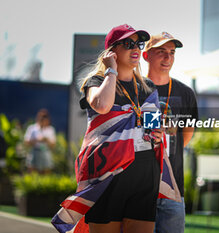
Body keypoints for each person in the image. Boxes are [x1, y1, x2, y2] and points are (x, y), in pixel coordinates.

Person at [55, 24, 165, 233]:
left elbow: (153, 129)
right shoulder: (95, 81)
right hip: (108, 169)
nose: (136, 48)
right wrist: (111, 70)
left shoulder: (149, 87)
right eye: (128, 43)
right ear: (111, 52)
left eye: (139, 44)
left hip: (144, 169)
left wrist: (157, 134)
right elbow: (103, 106)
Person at [142, 32, 198, 233]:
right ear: (146, 55)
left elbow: (187, 134)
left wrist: (164, 151)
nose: (168, 58)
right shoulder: (134, 89)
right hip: (138, 188)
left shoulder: (185, 93)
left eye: (172, 53)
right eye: (161, 52)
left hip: (173, 187)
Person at [24, 108, 56, 174]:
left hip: (45, 152)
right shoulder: (32, 128)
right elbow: (26, 142)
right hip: (34, 151)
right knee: (32, 172)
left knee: (46, 172)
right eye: (41, 117)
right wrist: (36, 140)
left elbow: (53, 145)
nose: (42, 119)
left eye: (44, 117)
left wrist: (46, 140)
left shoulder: (50, 129)